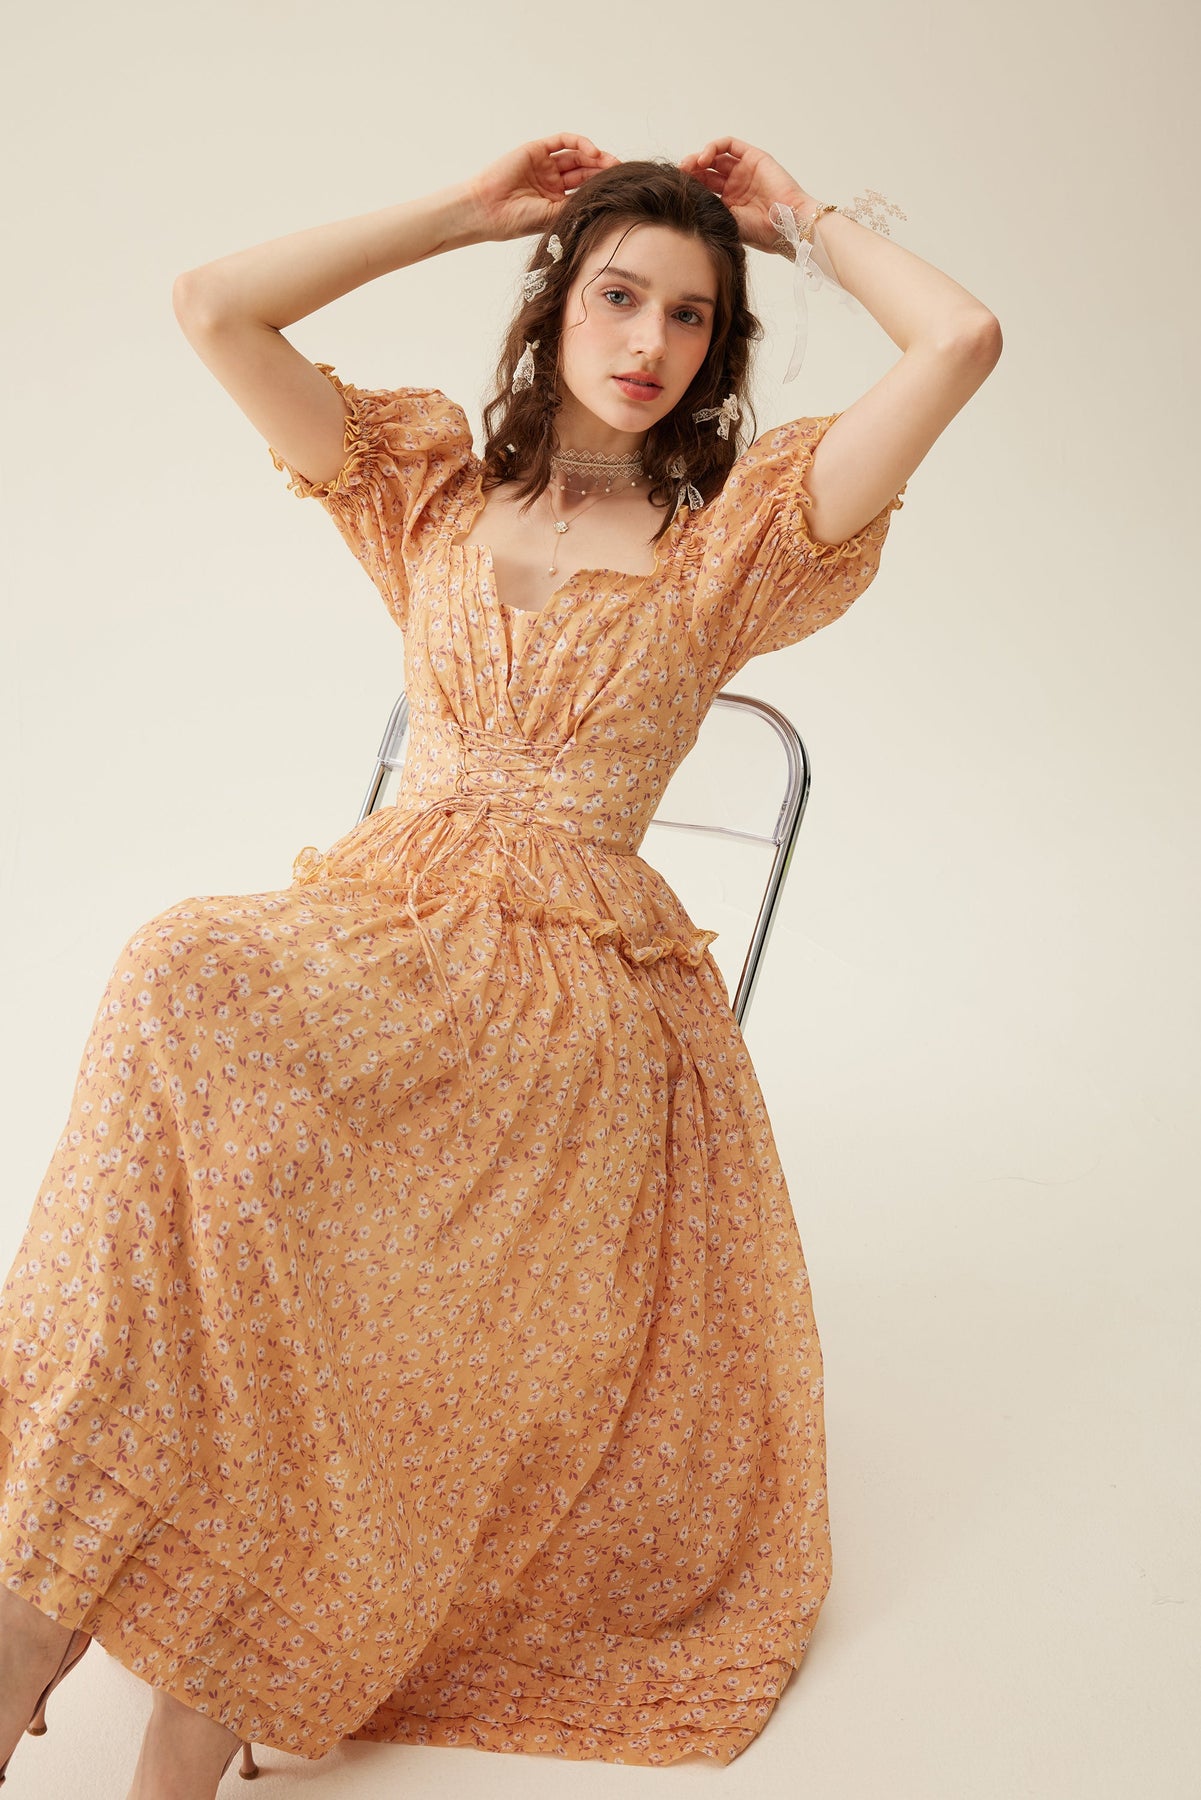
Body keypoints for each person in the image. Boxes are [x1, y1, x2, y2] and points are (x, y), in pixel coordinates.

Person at [0, 133, 1001, 1797]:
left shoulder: (732, 542)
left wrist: (800, 219)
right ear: (554, 307)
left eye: (689, 314)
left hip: (568, 1000)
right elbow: (211, 306)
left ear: (717, 349)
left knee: (296, 1203)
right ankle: (59, 1609)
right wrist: (468, 213)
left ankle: (158, 1673)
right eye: (617, 293)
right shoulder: (429, 495)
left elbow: (959, 340)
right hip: (382, 936)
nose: (648, 339)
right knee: (179, 974)